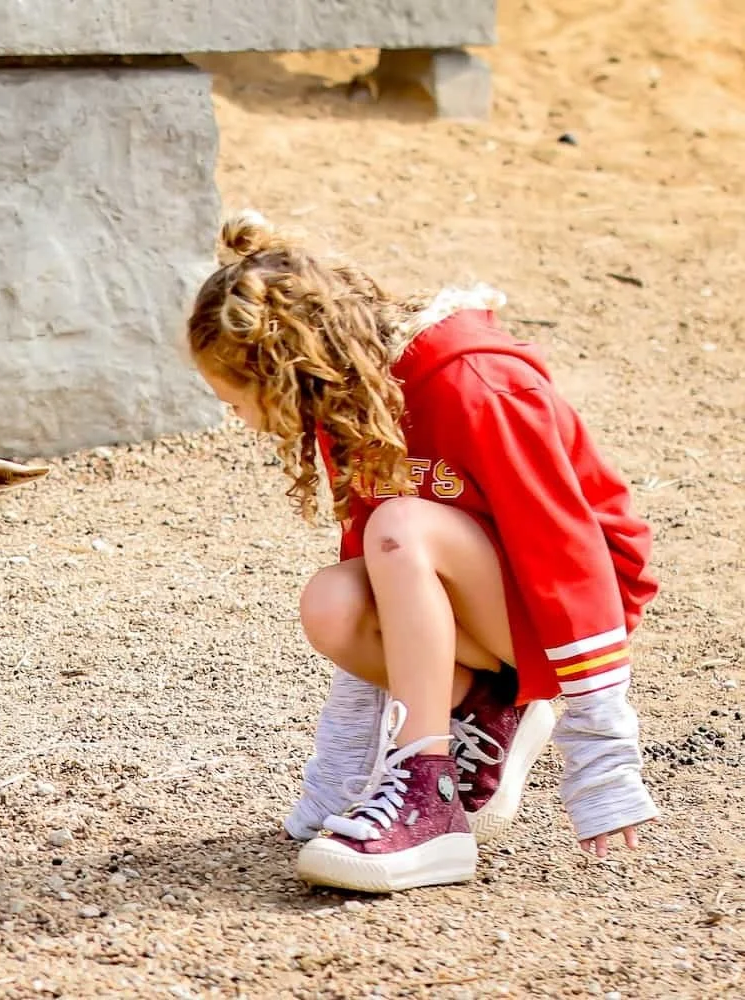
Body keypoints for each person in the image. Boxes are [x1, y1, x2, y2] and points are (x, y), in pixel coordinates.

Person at [185, 210, 660, 892]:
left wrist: (603, 763)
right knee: (335, 600)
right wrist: (337, 782)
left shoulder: (478, 386)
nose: (229, 412)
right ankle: (488, 709)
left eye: (233, 396)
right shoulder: (351, 400)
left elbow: (569, 559)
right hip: (498, 609)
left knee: (400, 528)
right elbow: (391, 592)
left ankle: (425, 797)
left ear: (289, 372)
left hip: (577, 607)